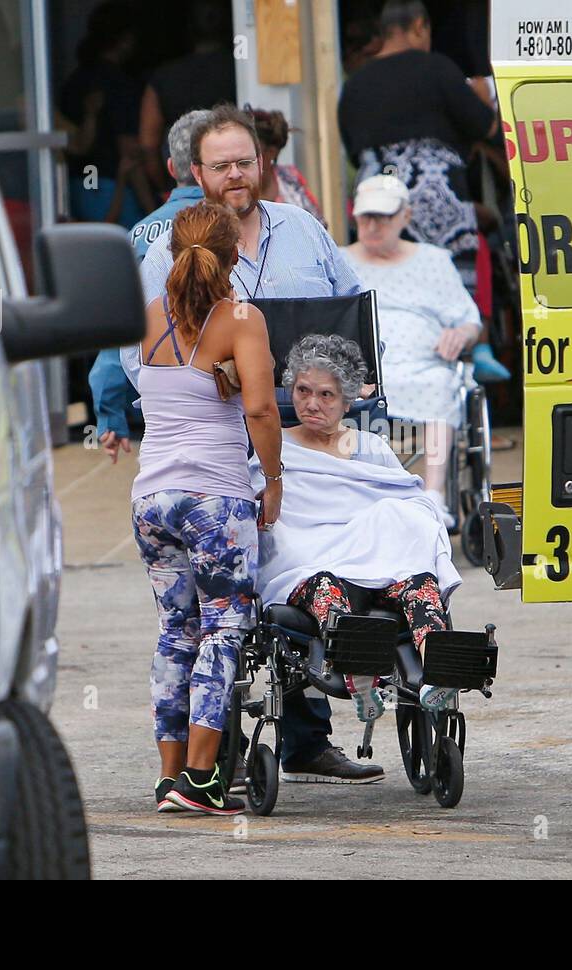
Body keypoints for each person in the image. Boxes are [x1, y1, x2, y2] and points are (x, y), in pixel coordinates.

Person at [133, 104, 382, 786]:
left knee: (303, 578)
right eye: (222, 165)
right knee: (232, 619)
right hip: (229, 457)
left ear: (263, 163)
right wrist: (224, 396)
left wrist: (354, 389)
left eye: (246, 161)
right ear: (197, 173)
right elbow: (146, 366)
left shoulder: (303, 230)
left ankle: (299, 742)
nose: (237, 174)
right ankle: (222, 761)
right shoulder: (167, 254)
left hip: (300, 440)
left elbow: (352, 312)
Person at [134, 201, 282, 816]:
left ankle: (170, 777)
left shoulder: (149, 316)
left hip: (151, 500)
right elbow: (260, 409)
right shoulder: (242, 319)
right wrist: (272, 479)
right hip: (213, 501)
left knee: (176, 630)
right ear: (235, 254)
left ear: (175, 252)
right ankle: (202, 779)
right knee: (224, 628)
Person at [249, 334, 463, 731]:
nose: (312, 404)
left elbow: (407, 499)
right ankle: (360, 674)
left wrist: (391, 525)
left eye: (326, 395)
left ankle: (441, 671)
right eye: (303, 391)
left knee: (416, 576)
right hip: (312, 560)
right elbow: (269, 517)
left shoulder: (370, 446)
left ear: (348, 401)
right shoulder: (274, 447)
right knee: (324, 582)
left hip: (377, 558)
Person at [337, 1, 508, 381]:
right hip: (439, 200)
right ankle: (474, 345)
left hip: (380, 202)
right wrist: (482, 99)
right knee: (452, 279)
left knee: (387, 282)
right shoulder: (439, 69)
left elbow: (352, 148)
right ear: (419, 26)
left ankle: (390, 352)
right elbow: (488, 129)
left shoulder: (355, 86)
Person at [342, 173, 481, 526]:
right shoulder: (340, 260)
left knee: (439, 385)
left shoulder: (434, 260)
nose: (372, 225)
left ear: (406, 216)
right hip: (362, 370)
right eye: (365, 216)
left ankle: (433, 497)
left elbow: (469, 319)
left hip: (423, 366)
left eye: (384, 216)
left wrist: (461, 335)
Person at [92, 108, 212, 463]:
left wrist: (110, 414)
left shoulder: (138, 235)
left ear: (172, 170)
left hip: (164, 405)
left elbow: (120, 332)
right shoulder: (240, 229)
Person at [59, 0, 155, 227]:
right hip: (110, 190)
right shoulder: (120, 85)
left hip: (77, 188)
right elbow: (128, 152)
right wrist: (154, 211)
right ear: (125, 39)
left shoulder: (74, 82)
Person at [137, 0, 236, 192]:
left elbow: (148, 145)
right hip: (228, 186)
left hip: (181, 184)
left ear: (188, 28)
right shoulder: (242, 72)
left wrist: (164, 190)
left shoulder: (164, 77)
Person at [249, 107, 325, 225]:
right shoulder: (233, 186)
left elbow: (318, 224)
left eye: (250, 152)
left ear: (271, 152)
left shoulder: (290, 178)